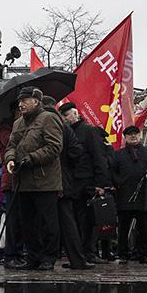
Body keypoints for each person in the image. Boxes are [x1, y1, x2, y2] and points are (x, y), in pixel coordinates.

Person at [4, 87, 63, 270]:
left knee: (47, 223)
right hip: (23, 182)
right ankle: (33, 257)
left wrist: (32, 158)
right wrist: (11, 159)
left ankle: (48, 257)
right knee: (27, 223)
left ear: (36, 101)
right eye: (20, 101)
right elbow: (11, 145)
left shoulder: (49, 118)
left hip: (45, 181)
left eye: (25, 100)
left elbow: (54, 147)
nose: (21, 104)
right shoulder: (18, 123)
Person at [59, 101, 111, 262]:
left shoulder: (89, 131)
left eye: (67, 115)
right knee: (73, 220)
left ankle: (89, 252)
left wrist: (101, 184)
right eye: (63, 116)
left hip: (87, 182)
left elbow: (99, 157)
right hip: (70, 183)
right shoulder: (65, 133)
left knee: (87, 220)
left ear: (75, 114)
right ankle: (77, 254)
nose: (66, 119)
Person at [46, 96, 90, 270]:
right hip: (64, 179)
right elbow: (76, 151)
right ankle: (77, 259)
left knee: (48, 220)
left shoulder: (42, 125)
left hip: (48, 179)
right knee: (67, 221)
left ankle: (46, 259)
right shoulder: (65, 128)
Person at [111, 125, 147, 264]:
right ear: (125, 137)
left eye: (135, 134)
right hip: (124, 194)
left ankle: (143, 254)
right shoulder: (117, 154)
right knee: (123, 227)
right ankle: (123, 254)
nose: (133, 136)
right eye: (130, 134)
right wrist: (118, 182)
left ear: (140, 136)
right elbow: (112, 171)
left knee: (143, 227)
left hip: (143, 194)